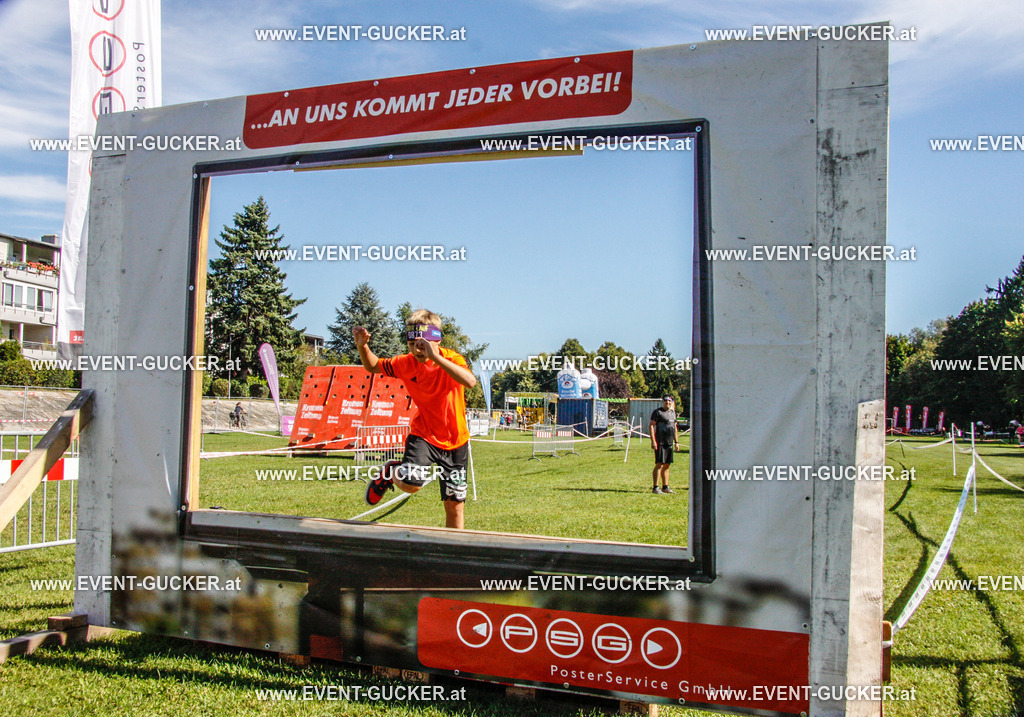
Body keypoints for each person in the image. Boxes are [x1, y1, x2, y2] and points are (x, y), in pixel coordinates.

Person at [356, 310, 477, 529]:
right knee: (412, 484)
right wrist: (363, 346)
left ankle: (453, 554)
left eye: (422, 344)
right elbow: (373, 366)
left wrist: (436, 357)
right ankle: (390, 472)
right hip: (424, 435)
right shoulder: (406, 363)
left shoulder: (452, 359)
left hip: (456, 441)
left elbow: (469, 381)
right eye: (411, 344)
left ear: (436, 341)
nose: (416, 350)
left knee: (455, 506)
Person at [649, 395, 679, 494]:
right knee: (659, 464)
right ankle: (655, 488)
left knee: (667, 465)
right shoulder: (657, 412)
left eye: (669, 401)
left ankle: (665, 487)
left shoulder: (672, 413)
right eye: (666, 401)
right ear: (663, 402)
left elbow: (675, 428)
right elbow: (651, 426)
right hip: (660, 442)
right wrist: (653, 441)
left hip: (669, 442)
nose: (668, 402)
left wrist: (676, 442)